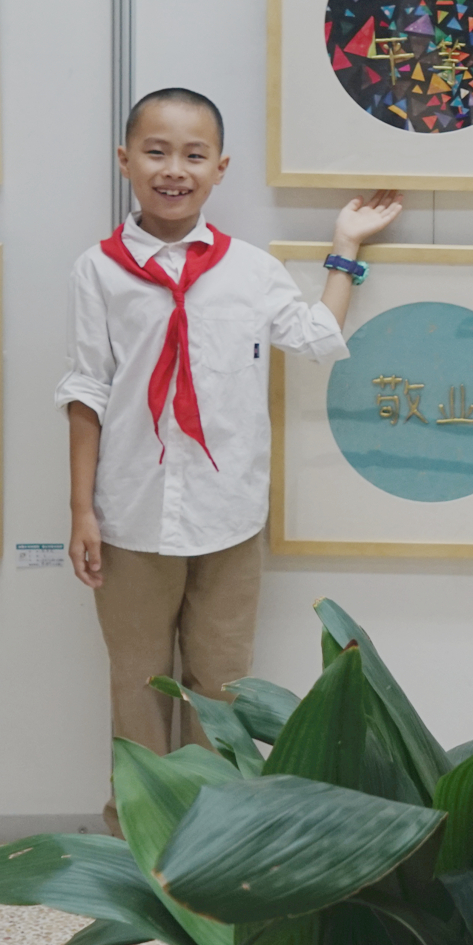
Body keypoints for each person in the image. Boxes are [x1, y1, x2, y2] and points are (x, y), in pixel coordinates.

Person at [55, 88, 399, 828]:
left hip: (229, 514)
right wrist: (81, 509)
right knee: (136, 681)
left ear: (220, 168)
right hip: (130, 514)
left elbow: (316, 336)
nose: (173, 169)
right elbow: (86, 390)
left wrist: (346, 245)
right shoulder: (98, 271)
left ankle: (214, 829)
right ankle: (139, 830)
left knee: (221, 683)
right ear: (124, 160)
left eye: (193, 154)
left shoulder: (248, 269)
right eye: (155, 151)